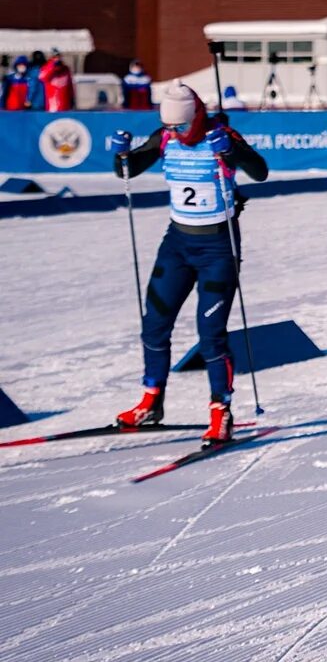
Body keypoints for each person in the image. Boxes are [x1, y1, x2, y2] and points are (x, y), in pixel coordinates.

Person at [109, 83, 269, 445]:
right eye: (170, 127)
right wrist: (120, 156)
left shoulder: (221, 134)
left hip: (217, 247)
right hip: (177, 244)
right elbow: (128, 171)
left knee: (210, 335)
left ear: (196, 115)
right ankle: (151, 401)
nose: (175, 133)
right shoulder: (165, 136)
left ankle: (221, 411)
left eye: (181, 127)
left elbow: (260, 171)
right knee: (154, 325)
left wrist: (233, 153)